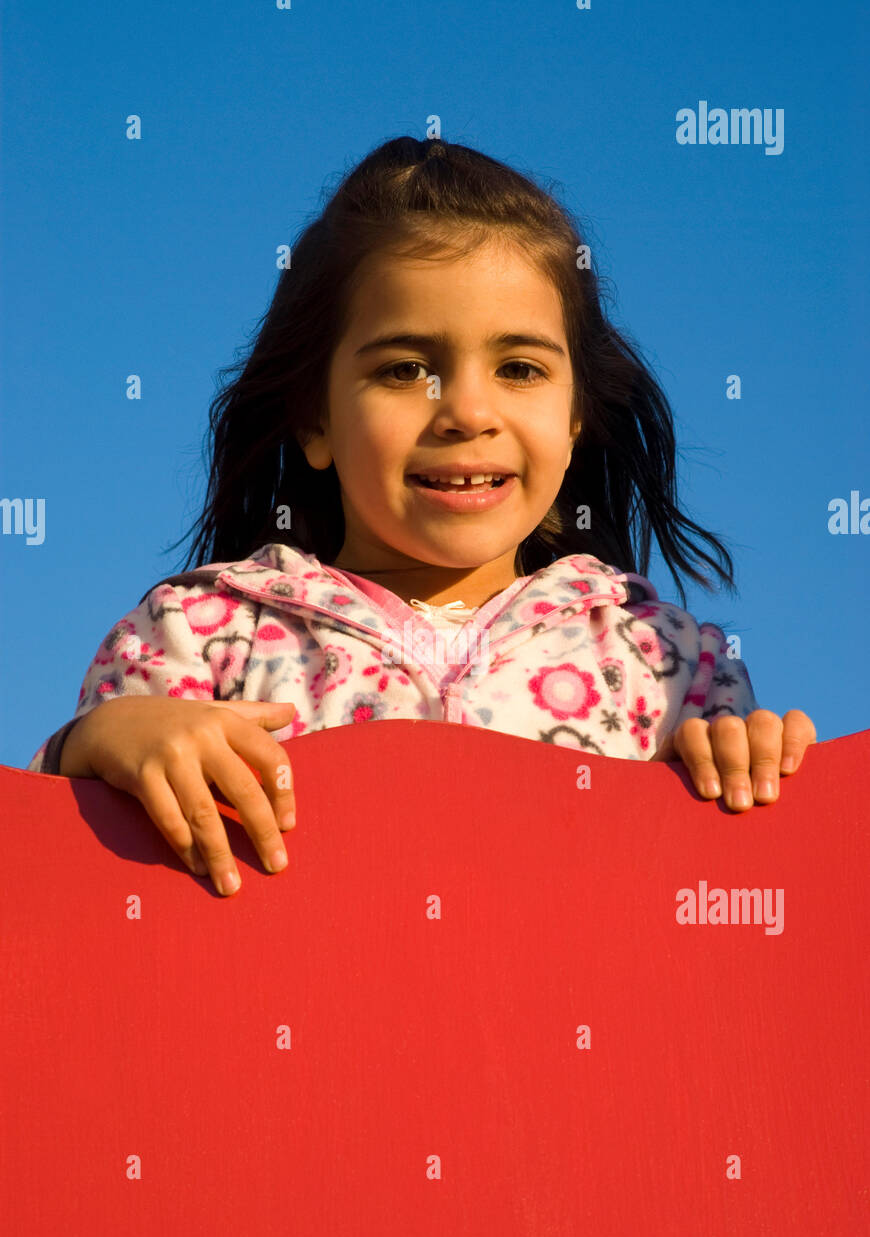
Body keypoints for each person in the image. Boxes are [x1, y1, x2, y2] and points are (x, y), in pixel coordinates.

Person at [25, 136, 816, 897]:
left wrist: (748, 757)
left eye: (519, 368)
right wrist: (99, 742)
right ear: (315, 418)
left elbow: (728, 913)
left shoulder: (668, 664)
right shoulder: (196, 635)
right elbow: (67, 875)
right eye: (407, 369)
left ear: (575, 418)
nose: (467, 411)